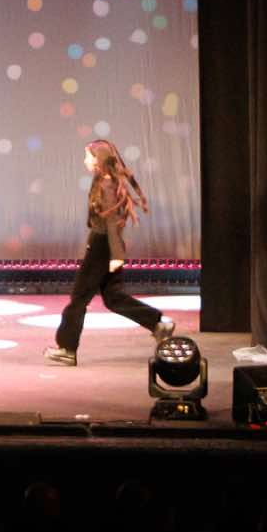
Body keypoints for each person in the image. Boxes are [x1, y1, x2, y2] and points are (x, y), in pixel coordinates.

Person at [44, 138, 175, 365]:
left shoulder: (106, 184)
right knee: (113, 298)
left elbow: (113, 223)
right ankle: (157, 324)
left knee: (79, 298)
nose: (85, 160)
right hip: (103, 245)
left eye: (88, 156)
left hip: (102, 247)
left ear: (98, 159)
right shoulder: (102, 181)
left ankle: (67, 348)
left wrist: (116, 256)